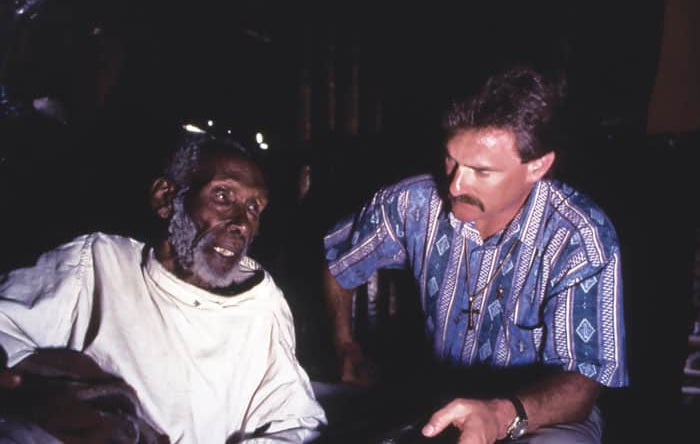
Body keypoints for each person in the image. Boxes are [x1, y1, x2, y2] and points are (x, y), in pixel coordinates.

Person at [322, 65, 627, 443]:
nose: (455, 184)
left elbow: (584, 382)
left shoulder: (580, 237)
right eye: (451, 160)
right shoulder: (412, 203)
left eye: (482, 171)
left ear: (538, 165)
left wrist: (500, 415)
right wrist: (345, 345)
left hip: (541, 416)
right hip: (436, 400)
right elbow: (339, 260)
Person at [0, 132, 326, 443]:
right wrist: (51, 395)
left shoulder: (261, 305)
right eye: (223, 196)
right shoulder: (98, 265)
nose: (242, 223)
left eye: (255, 207)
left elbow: (296, 423)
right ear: (166, 198)